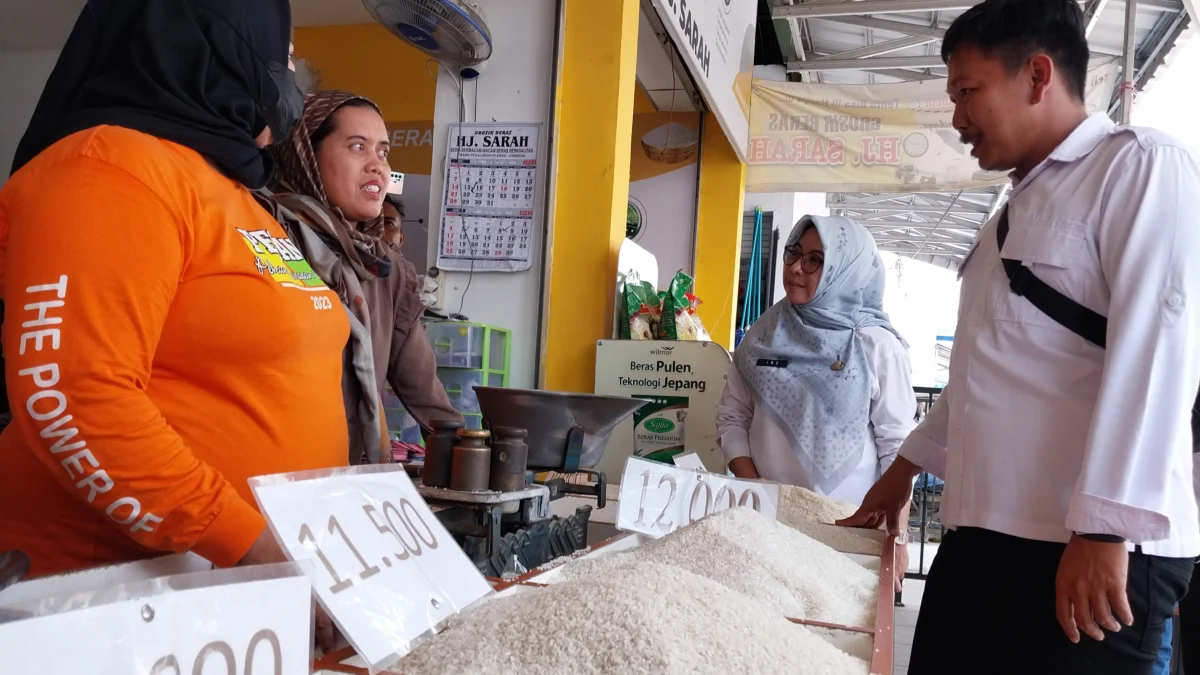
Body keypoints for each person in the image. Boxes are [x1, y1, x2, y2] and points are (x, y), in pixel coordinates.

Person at [840, 2, 1200, 673]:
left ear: (1037, 75)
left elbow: (1159, 352)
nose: (957, 118)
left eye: (967, 91)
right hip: (982, 535)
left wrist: (1104, 528)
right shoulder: (1002, 222)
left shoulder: (1139, 168)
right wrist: (902, 470)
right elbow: (981, 371)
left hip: (1088, 549)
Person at [0, 0, 353, 582]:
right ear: (222, 50)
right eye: (282, 56)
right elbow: (73, 397)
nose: (291, 78)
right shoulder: (109, 168)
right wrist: (249, 544)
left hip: (227, 588)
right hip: (113, 591)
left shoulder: (233, 191)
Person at [717, 215, 916, 590]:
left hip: (850, 534)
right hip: (766, 527)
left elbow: (899, 448)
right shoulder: (763, 334)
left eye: (815, 260)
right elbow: (732, 418)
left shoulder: (875, 345)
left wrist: (898, 538)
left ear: (846, 269)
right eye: (793, 253)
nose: (795, 267)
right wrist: (755, 488)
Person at [269, 90, 460, 465]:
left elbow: (422, 385)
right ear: (305, 154)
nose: (378, 167)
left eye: (383, 152)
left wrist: (467, 452)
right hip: (270, 473)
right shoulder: (266, 240)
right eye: (358, 147)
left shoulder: (386, 268)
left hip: (351, 475)